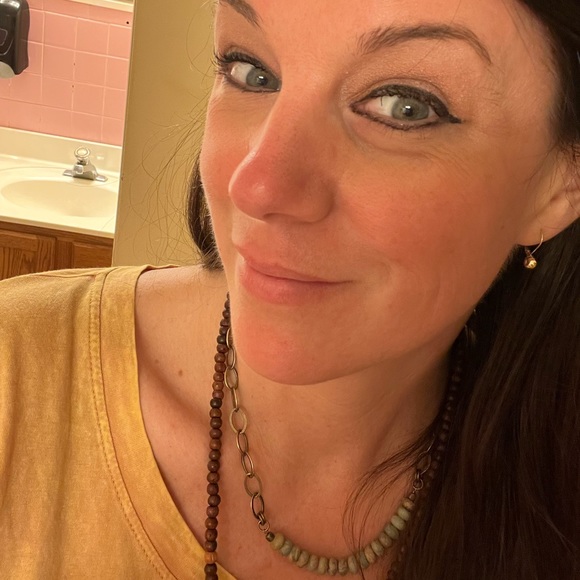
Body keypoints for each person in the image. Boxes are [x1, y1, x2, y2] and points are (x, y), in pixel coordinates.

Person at [1, 0, 579, 578]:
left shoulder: (552, 483)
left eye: (405, 106)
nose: (256, 187)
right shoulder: (17, 378)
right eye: (250, 71)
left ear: (561, 184)